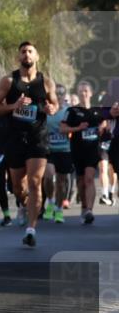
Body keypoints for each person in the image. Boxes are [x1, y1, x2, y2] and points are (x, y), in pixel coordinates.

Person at [0, 42, 59, 247]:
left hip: (38, 137)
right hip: (15, 138)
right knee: (18, 187)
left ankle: (31, 229)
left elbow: (54, 104)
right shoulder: (9, 81)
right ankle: (25, 203)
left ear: (36, 56)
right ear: (18, 57)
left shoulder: (46, 81)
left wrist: (51, 109)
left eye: (30, 51)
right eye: (23, 52)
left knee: (35, 181)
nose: (26, 55)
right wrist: (13, 106)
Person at [60, 81, 107, 224]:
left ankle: (89, 211)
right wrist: (78, 128)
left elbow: (104, 121)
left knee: (89, 178)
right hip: (77, 150)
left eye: (86, 91)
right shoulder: (72, 111)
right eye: (80, 91)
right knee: (80, 182)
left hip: (92, 150)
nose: (83, 93)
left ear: (91, 93)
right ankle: (84, 206)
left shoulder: (97, 110)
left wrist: (102, 127)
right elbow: (63, 129)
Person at [42, 84, 72, 223]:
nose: (59, 96)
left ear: (64, 96)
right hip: (49, 150)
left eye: (61, 93)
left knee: (61, 182)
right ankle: (50, 201)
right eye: (56, 93)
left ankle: (59, 210)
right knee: (48, 176)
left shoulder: (67, 112)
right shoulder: (46, 111)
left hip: (65, 150)